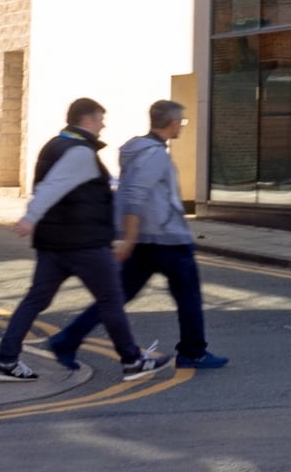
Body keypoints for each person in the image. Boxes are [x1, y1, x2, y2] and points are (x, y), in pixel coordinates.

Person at [0, 99, 171, 384]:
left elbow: (58, 187)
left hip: (54, 243)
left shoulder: (55, 145)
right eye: (100, 119)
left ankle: (5, 359)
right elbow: (53, 186)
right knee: (111, 299)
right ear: (86, 121)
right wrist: (30, 216)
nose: (103, 125)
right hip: (83, 243)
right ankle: (133, 361)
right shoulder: (80, 152)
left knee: (35, 300)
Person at [50, 100, 222, 372]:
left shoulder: (139, 150)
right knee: (188, 296)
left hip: (147, 239)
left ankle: (67, 339)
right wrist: (128, 240)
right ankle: (193, 352)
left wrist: (131, 237)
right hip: (165, 240)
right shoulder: (154, 155)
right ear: (172, 123)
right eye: (181, 122)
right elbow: (134, 196)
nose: (182, 126)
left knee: (116, 296)